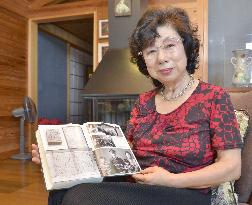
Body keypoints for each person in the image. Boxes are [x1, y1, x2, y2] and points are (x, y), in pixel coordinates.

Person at [32, 7, 242, 205]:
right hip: (139, 184)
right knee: (62, 189)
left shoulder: (213, 97)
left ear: (186, 46)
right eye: (151, 51)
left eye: (170, 45)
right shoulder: (143, 102)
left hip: (185, 192)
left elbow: (232, 167)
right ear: (145, 61)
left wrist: (169, 180)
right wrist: (62, 161)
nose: (161, 58)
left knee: (80, 197)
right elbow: (124, 155)